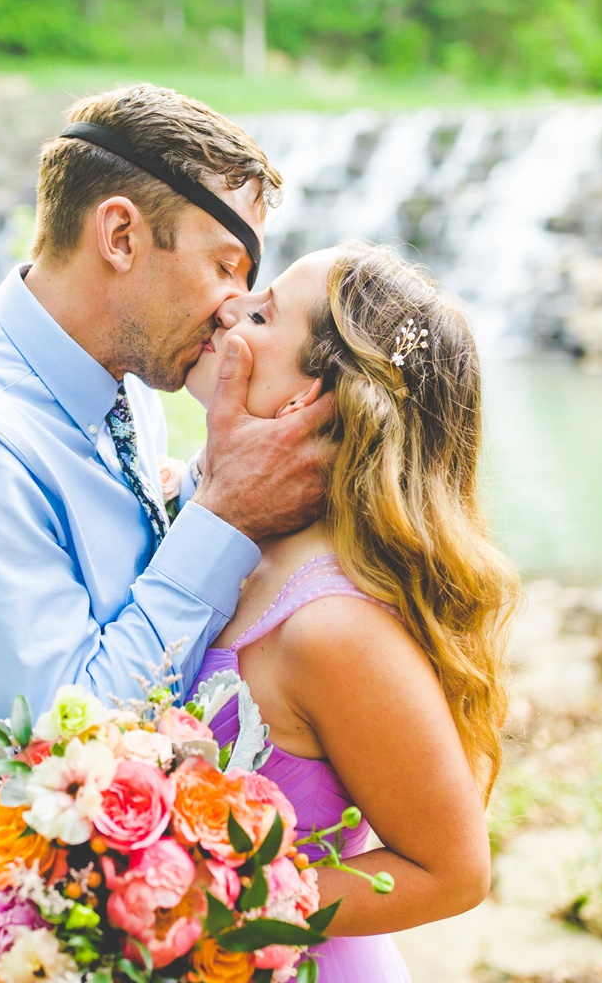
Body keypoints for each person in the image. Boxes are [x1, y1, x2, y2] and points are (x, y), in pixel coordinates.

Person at [0, 85, 334, 983]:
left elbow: (119, 588)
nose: (236, 308)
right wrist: (223, 518)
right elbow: (58, 748)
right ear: (119, 236)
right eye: (226, 265)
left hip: (120, 918)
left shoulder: (125, 388)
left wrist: (203, 494)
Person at [182, 242, 522, 982]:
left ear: (307, 398)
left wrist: (210, 905)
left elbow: (453, 870)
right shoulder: (230, 538)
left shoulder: (332, 628)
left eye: (264, 313)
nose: (228, 306)